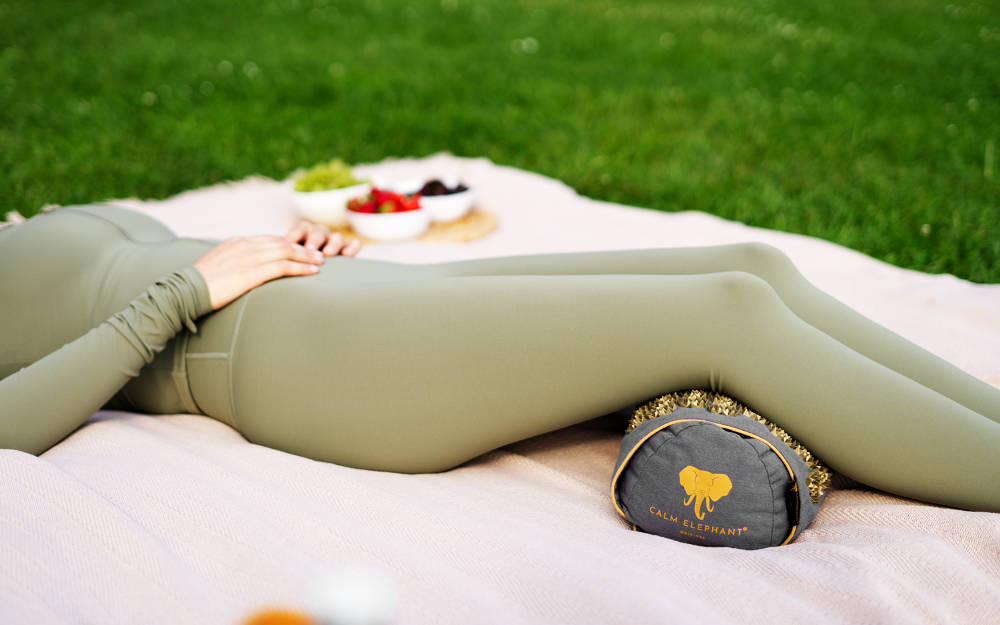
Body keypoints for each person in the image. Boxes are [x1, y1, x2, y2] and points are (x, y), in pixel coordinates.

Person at [1, 204, 998, 512]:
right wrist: (189, 288)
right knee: (724, 315)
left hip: (336, 300)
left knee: (750, 266)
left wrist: (283, 250)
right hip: (302, 362)